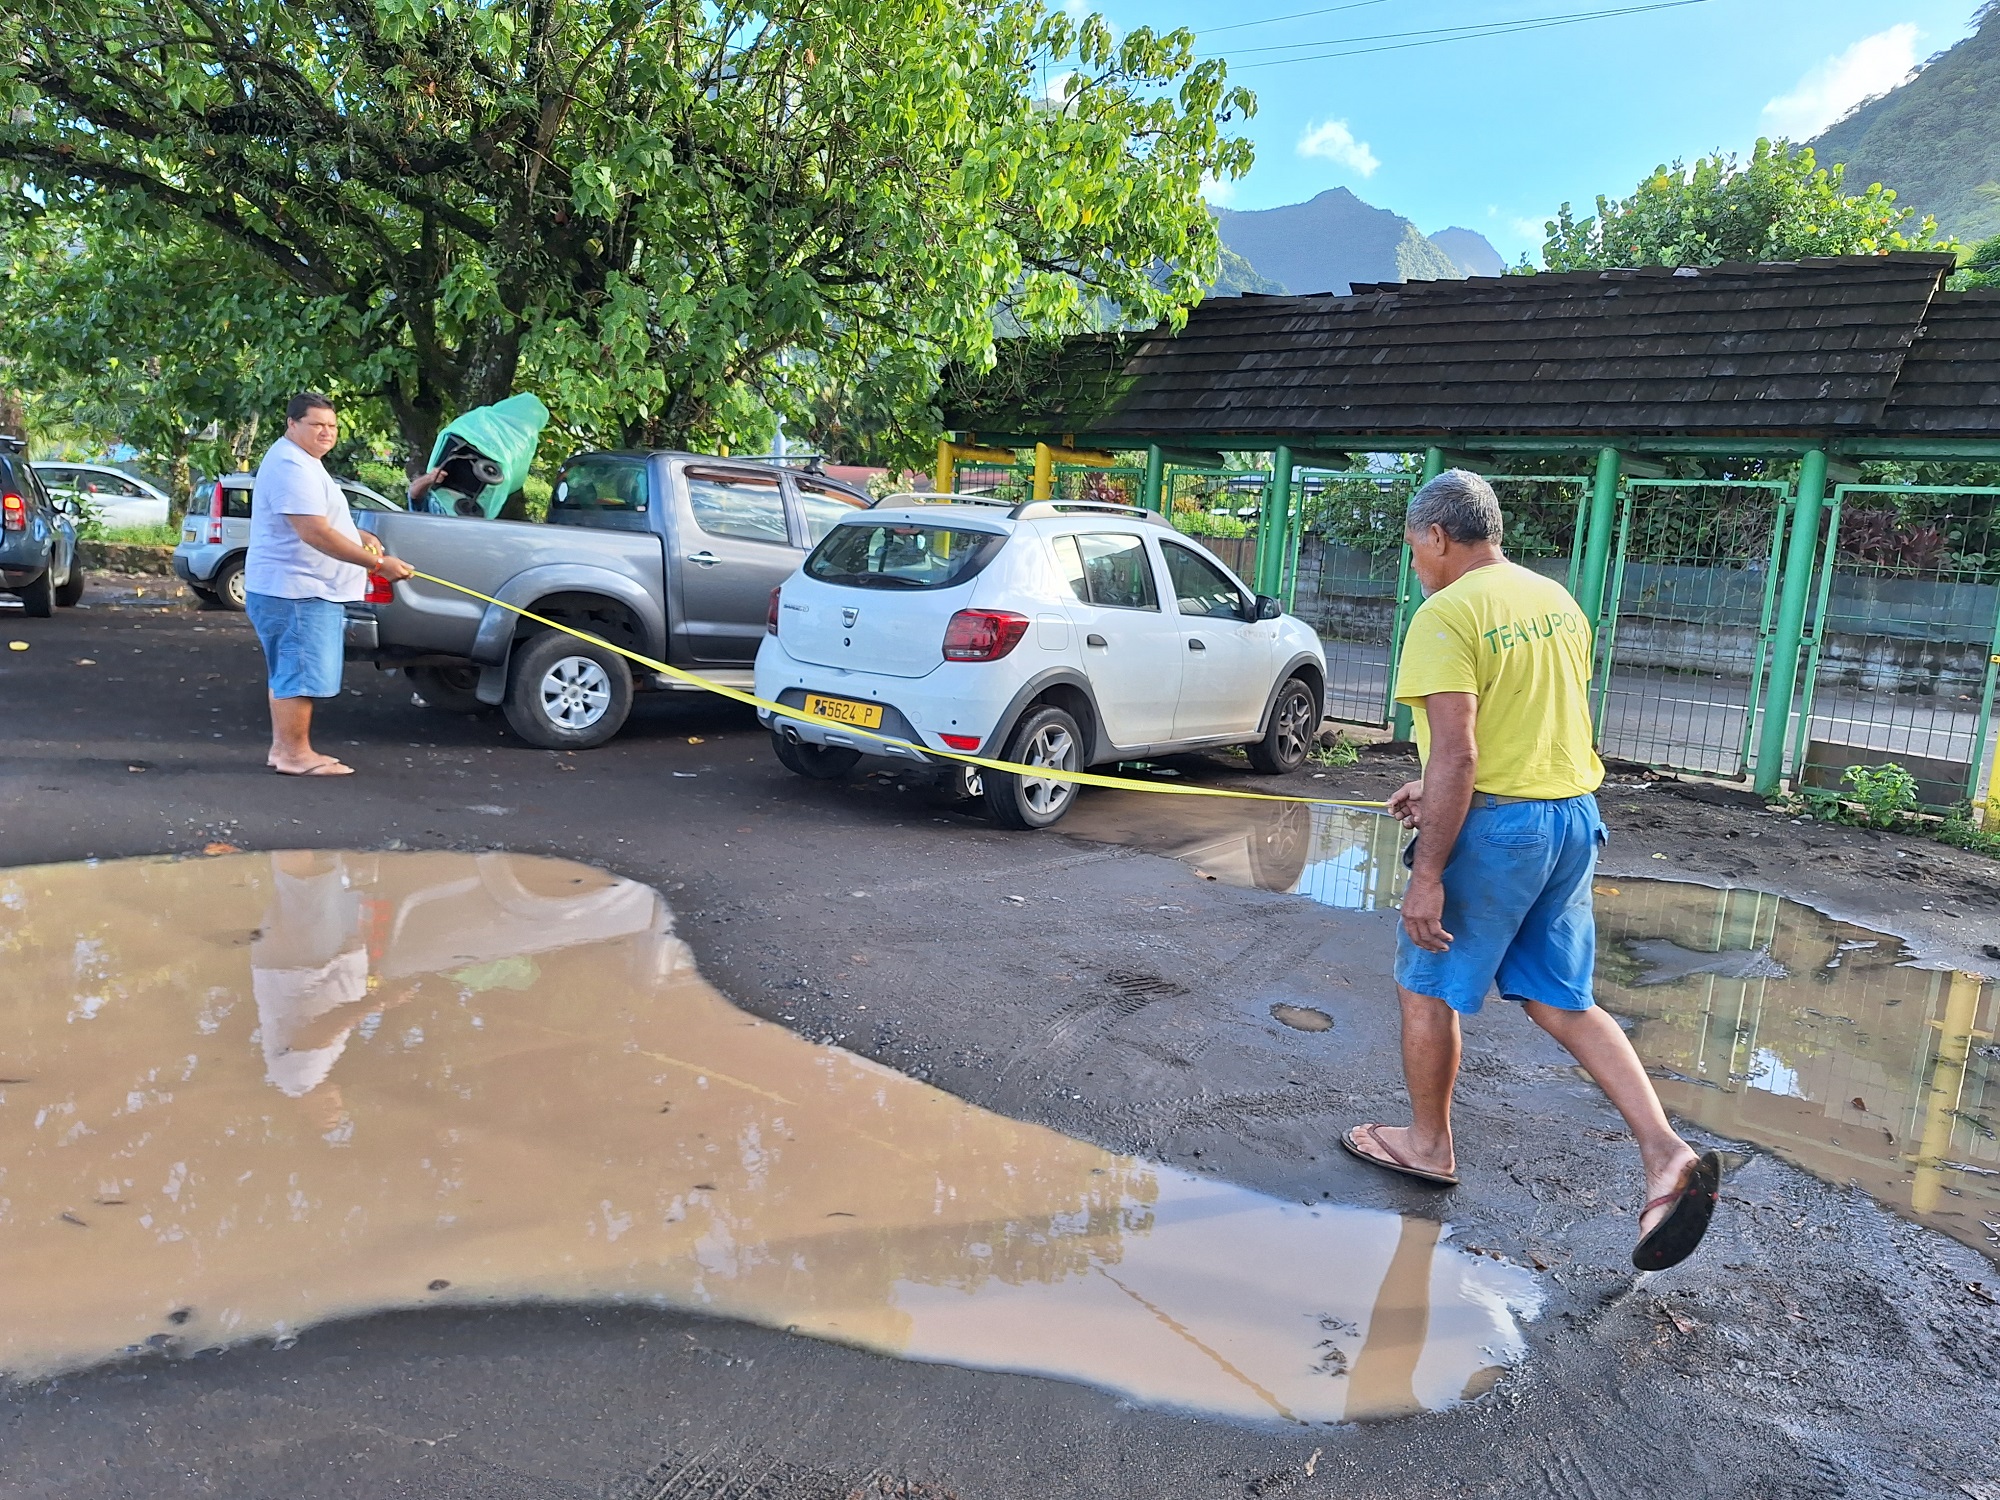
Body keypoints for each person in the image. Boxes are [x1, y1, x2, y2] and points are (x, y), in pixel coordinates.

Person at [1340, 470, 1721, 1272]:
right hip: (1571, 818)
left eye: (1416, 548)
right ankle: (1664, 1154)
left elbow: (1462, 751)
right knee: (1563, 999)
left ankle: (1427, 1144)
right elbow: (1531, 725)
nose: (1416, 564)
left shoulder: (1446, 613)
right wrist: (1435, 788)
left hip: (1500, 831)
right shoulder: (1555, 600)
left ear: (1437, 536)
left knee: (1426, 982)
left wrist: (1428, 871)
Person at [244, 393, 415, 776]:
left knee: (289, 670)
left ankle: (282, 749)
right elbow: (314, 533)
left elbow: (316, 520)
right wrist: (378, 564)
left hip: (293, 588)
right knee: (300, 673)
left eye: (332, 425)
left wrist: (357, 534)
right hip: (298, 589)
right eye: (316, 424)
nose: (327, 432)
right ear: (292, 424)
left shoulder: (301, 461)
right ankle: (295, 755)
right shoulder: (292, 465)